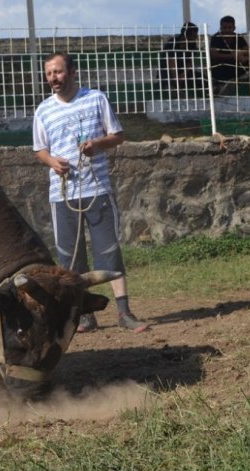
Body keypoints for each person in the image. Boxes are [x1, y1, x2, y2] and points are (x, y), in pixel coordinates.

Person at [32, 52, 149, 334]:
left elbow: (118, 136)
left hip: (96, 188)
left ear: (72, 72)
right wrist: (52, 162)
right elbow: (39, 149)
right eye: (49, 74)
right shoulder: (43, 110)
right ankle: (84, 316)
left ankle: (124, 312)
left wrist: (96, 144)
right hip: (62, 195)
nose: (53, 79)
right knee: (71, 258)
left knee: (108, 250)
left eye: (58, 72)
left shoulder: (96, 98)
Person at [210, 15, 250, 92]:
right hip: (220, 68)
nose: (227, 30)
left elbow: (249, 52)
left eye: (229, 28)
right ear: (221, 28)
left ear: (234, 28)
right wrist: (233, 55)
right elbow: (214, 55)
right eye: (225, 28)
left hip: (236, 65)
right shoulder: (216, 38)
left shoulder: (238, 37)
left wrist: (242, 57)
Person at [160, 22, 205, 96]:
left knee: (200, 77)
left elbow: (190, 62)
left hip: (183, 72)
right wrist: (177, 81)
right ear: (185, 35)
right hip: (169, 72)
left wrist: (184, 74)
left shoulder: (192, 44)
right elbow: (171, 65)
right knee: (168, 79)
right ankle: (173, 90)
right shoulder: (173, 44)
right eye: (193, 35)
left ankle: (214, 88)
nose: (196, 37)